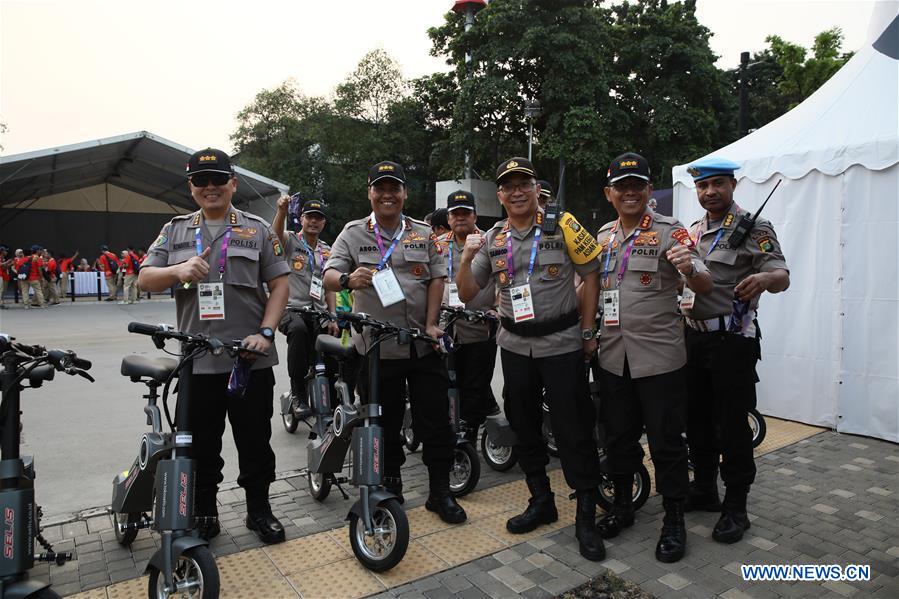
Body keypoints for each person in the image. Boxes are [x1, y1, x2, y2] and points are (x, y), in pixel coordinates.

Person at [455, 157, 606, 561]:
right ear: (500, 195)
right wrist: (466, 259)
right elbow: (468, 293)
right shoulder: (493, 237)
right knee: (523, 427)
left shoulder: (564, 224)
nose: (517, 192)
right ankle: (541, 500)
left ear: (537, 189)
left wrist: (588, 332)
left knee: (573, 428)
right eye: (509, 186)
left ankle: (586, 514)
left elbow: (592, 274)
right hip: (516, 347)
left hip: (562, 344)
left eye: (524, 184)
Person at [138, 148, 290, 544]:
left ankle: (259, 510)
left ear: (233, 184)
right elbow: (144, 278)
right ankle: (205, 511)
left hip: (250, 359)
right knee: (201, 445)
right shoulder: (175, 231)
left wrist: (266, 333)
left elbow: (280, 285)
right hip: (199, 361)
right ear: (191, 187)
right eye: (201, 181)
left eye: (218, 179)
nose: (210, 187)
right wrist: (178, 270)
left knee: (255, 442)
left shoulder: (258, 229)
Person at [322, 160, 466, 524]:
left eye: (394, 188)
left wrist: (431, 324)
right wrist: (347, 280)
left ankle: (440, 492)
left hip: (421, 344)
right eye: (380, 188)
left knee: (436, 422)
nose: (388, 195)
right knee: (382, 424)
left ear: (405, 193)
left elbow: (437, 278)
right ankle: (391, 487)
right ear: (370, 193)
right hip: (376, 348)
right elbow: (328, 274)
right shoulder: (353, 233)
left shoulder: (423, 232)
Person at [591, 153, 713, 563]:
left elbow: (705, 281)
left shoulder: (670, 231)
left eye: (637, 185)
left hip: (659, 360)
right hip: (614, 358)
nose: (630, 192)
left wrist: (690, 269)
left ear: (647, 190)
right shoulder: (603, 236)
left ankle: (673, 520)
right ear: (609, 193)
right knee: (618, 439)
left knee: (666, 444)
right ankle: (623, 507)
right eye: (621, 186)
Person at [681, 157, 790, 544]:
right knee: (696, 421)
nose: (709, 192)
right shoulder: (693, 231)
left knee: (731, 425)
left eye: (717, 184)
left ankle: (736, 507)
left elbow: (782, 276)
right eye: (703, 186)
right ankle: (705, 489)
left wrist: (763, 278)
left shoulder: (753, 226)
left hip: (732, 340)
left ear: (732, 185)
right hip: (693, 338)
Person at [437, 190, 500, 440]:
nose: (460, 217)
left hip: (480, 327)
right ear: (448, 218)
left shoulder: (489, 242)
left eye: (466, 213)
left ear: (475, 215)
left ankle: (469, 436)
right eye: (455, 213)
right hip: (445, 327)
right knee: (446, 384)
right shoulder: (437, 244)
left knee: (476, 386)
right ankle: (448, 433)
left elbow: (503, 278)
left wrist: (497, 307)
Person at [273, 197, 340, 417]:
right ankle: (298, 395)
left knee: (336, 342)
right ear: (301, 219)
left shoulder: (327, 250)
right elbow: (274, 236)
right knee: (299, 330)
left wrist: (332, 316)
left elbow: (329, 288)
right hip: (291, 309)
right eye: (309, 217)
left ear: (323, 223)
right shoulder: (290, 240)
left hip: (319, 312)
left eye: (318, 218)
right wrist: (281, 212)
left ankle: (335, 401)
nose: (313, 221)